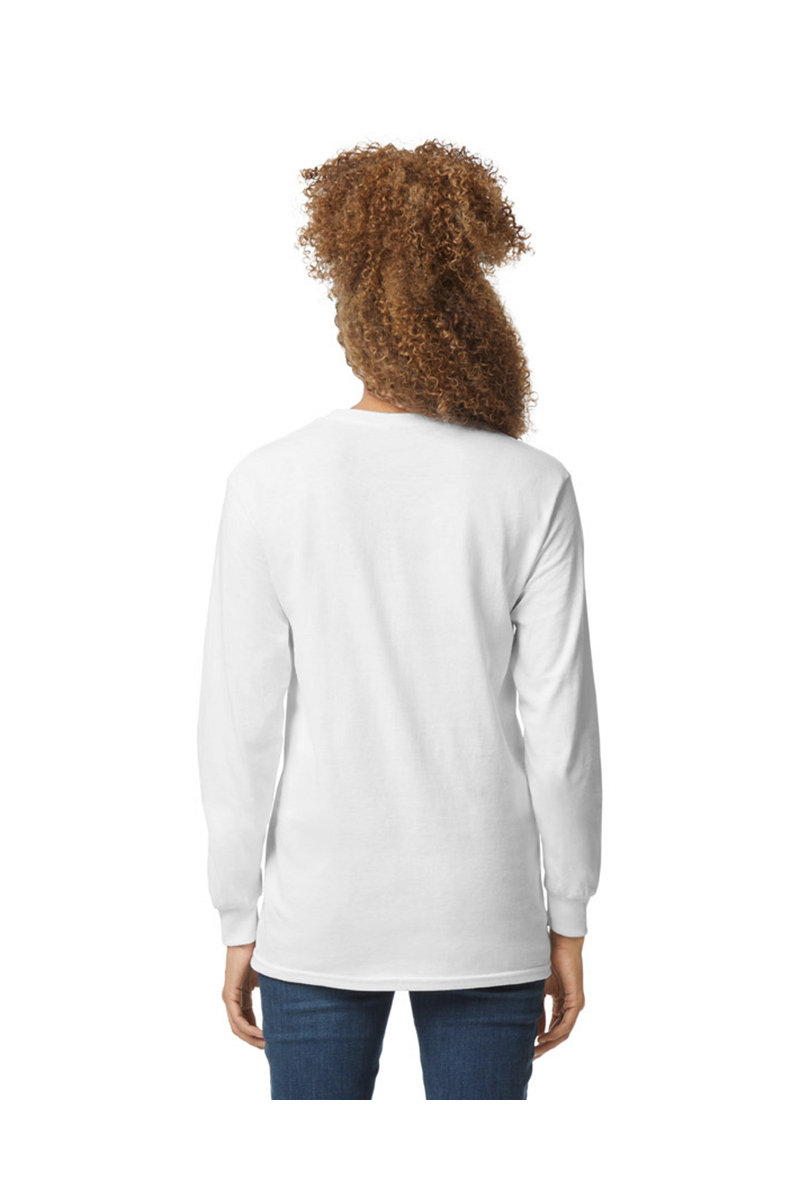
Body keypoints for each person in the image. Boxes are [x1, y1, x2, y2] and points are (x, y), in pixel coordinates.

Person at [197, 139, 603, 1100]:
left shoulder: (269, 481)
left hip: (319, 914)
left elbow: (238, 726)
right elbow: (562, 731)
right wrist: (570, 917)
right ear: (472, 313)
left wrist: (237, 916)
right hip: (486, 914)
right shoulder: (531, 484)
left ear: (349, 312)